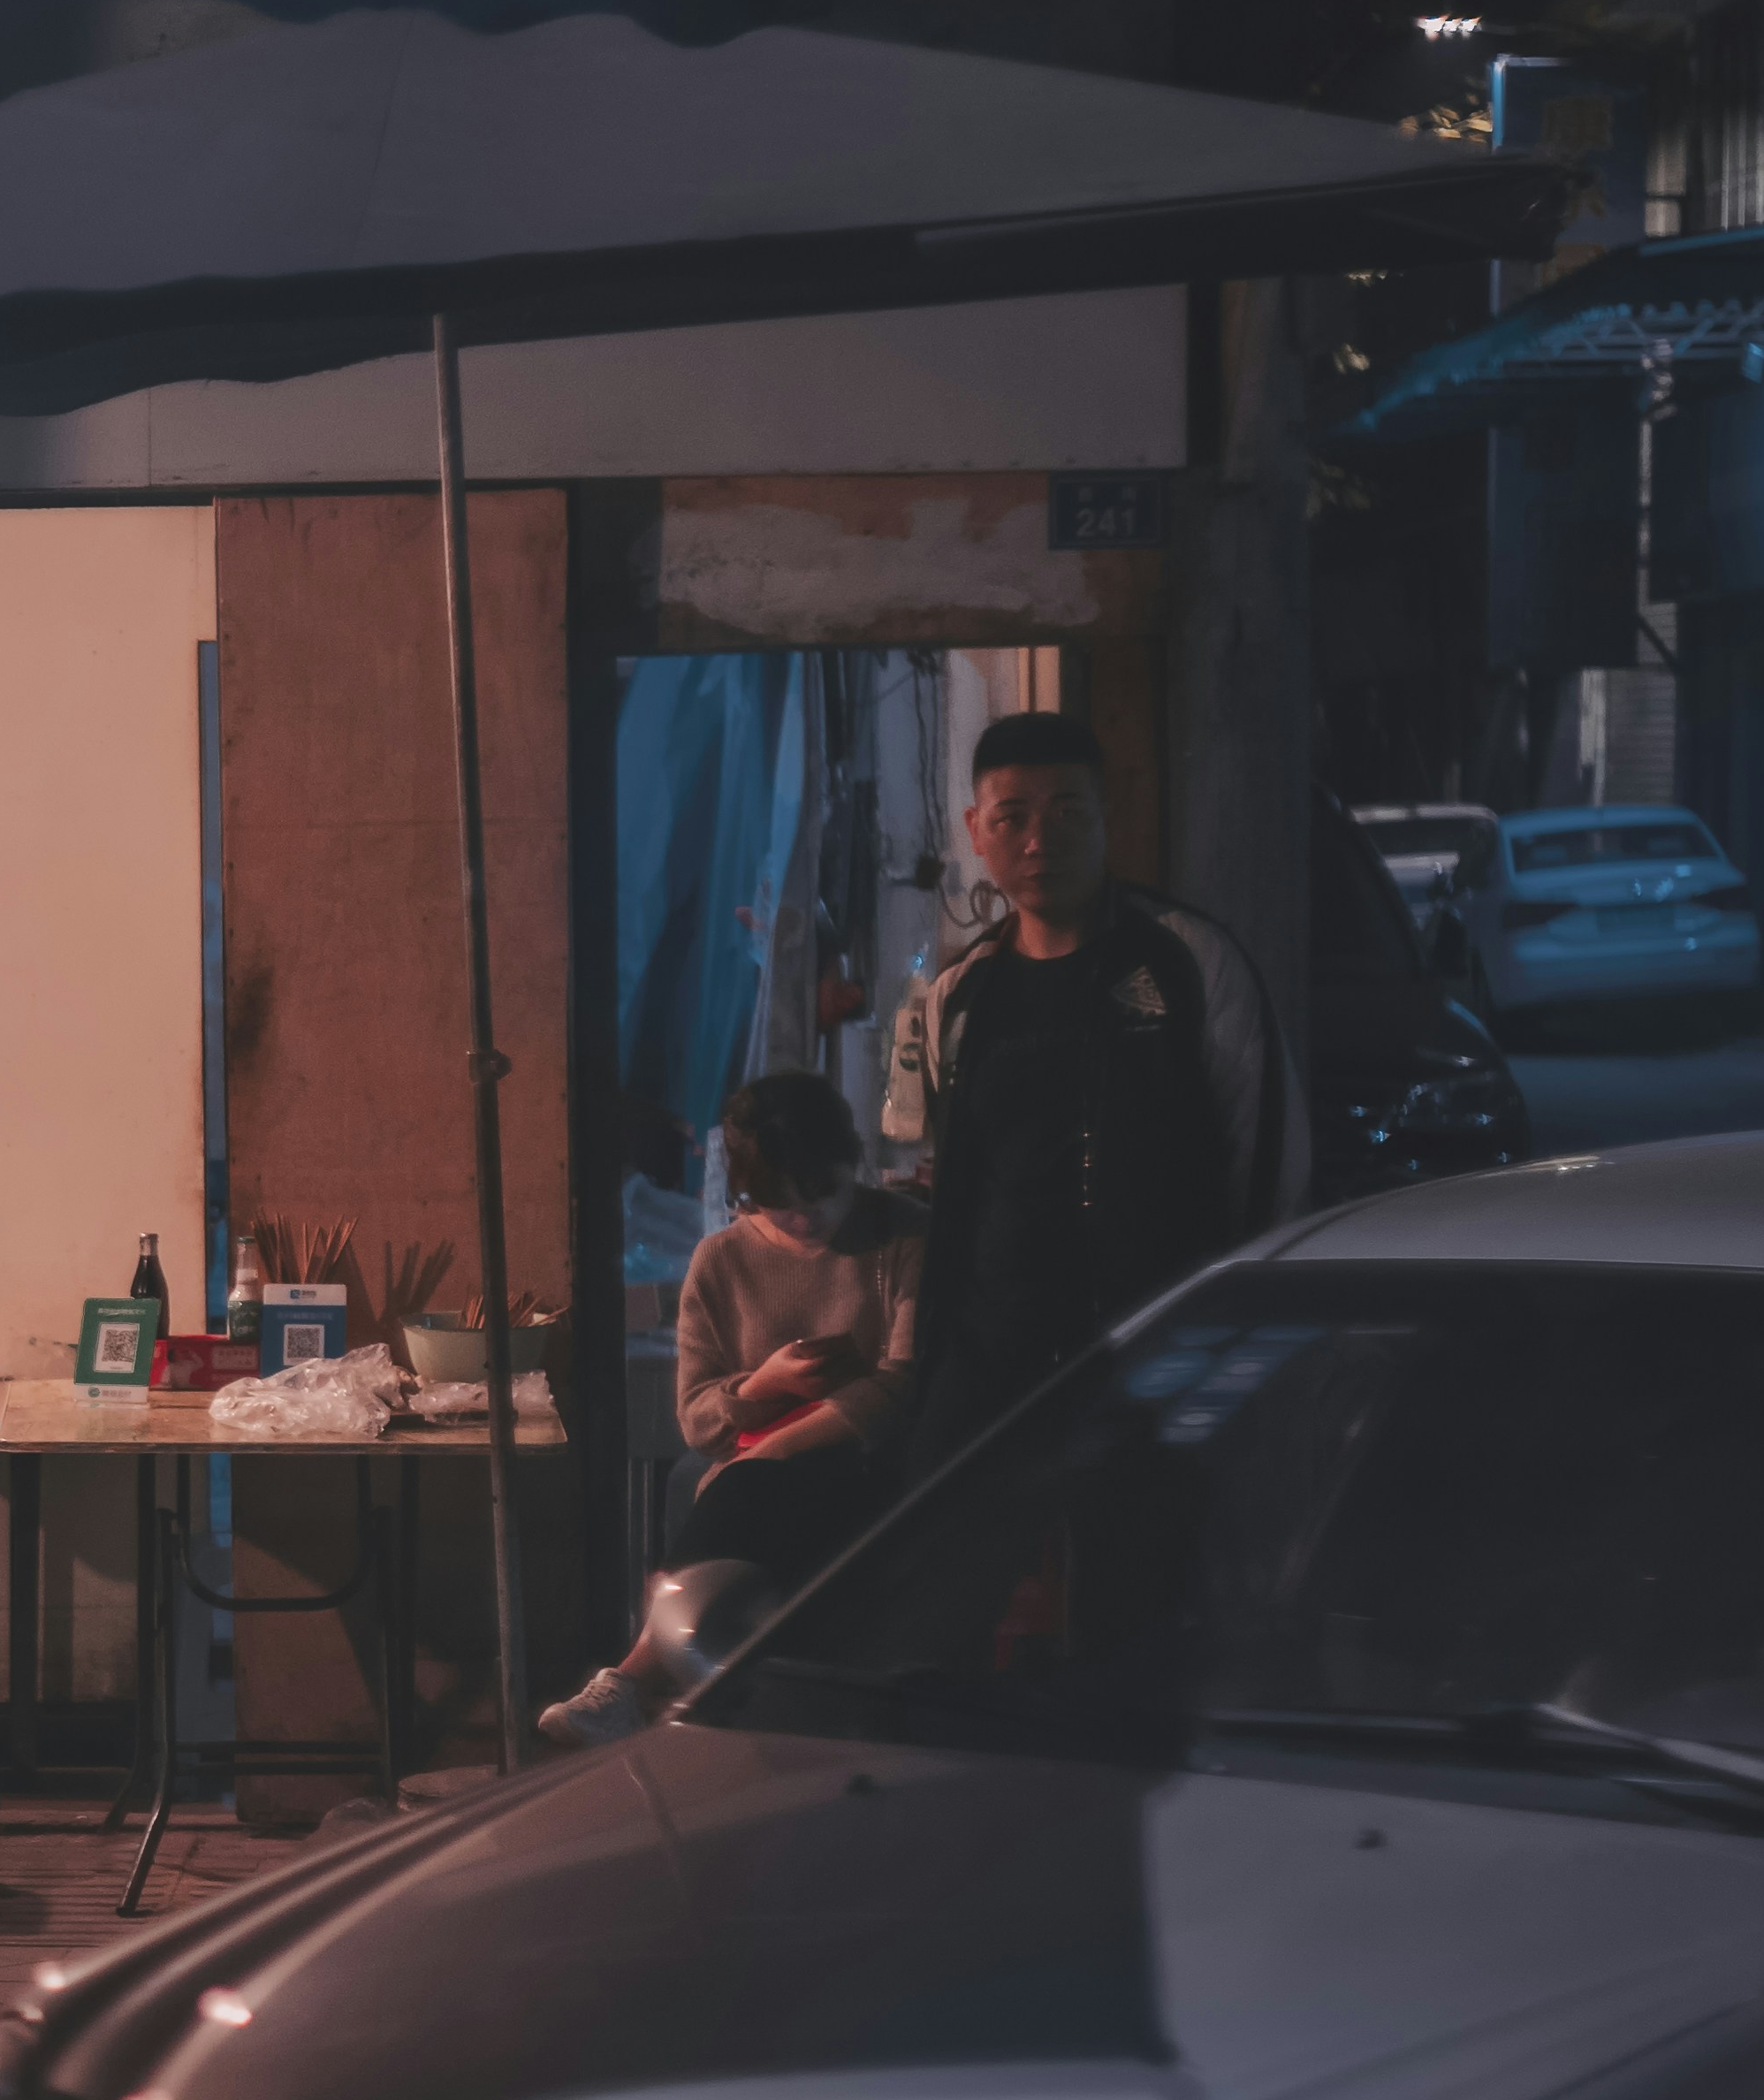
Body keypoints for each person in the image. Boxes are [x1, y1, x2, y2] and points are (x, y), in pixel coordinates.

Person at [880, 711, 1297, 1463]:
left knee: (1137, 1564)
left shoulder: (1190, 962)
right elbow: (953, 1188)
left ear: (1109, 814)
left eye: (1069, 811)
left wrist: (1227, 1331)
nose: (1040, 841)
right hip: (993, 1361)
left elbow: (1265, 1159)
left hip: (1157, 1344)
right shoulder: (957, 998)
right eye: (1012, 818)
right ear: (976, 829)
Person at [537, 1069, 918, 1747]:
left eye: (823, 1195)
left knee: (744, 1490)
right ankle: (665, 1693)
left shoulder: (901, 1237)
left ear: (850, 1162)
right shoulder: (721, 1261)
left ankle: (634, 1680)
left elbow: (902, 1383)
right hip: (754, 1475)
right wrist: (763, 1385)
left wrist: (774, 1444)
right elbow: (699, 1419)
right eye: (782, 1206)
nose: (808, 1222)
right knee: (732, 1489)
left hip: (863, 1458)